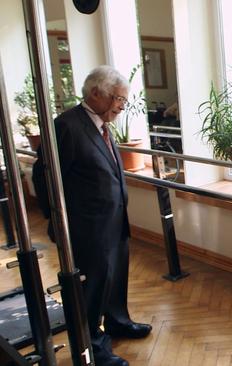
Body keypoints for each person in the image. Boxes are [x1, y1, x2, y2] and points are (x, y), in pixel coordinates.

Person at [33, 65, 151, 366]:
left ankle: (117, 321)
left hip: (113, 220)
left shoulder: (101, 124)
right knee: (92, 286)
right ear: (96, 93)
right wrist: (56, 221)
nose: (121, 106)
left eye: (124, 100)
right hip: (86, 226)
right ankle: (92, 346)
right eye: (118, 99)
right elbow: (43, 176)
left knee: (115, 277)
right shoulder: (67, 126)